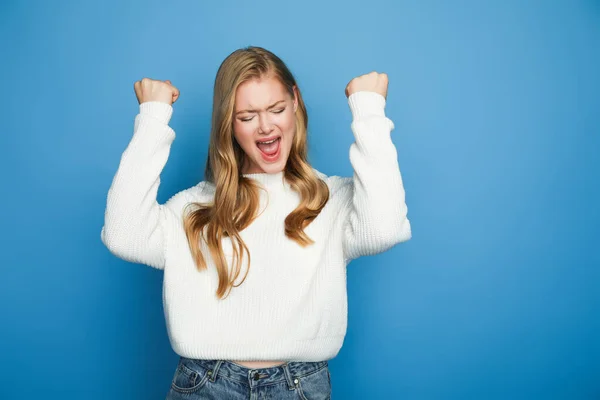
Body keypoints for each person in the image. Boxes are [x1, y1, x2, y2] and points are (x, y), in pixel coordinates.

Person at [100, 46, 411, 399]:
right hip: (205, 386)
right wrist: (153, 119)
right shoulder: (193, 207)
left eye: (276, 109)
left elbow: (384, 227)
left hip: (300, 387)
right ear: (228, 123)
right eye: (247, 116)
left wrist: (369, 112)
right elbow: (123, 235)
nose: (265, 126)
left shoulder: (331, 199)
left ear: (295, 101)